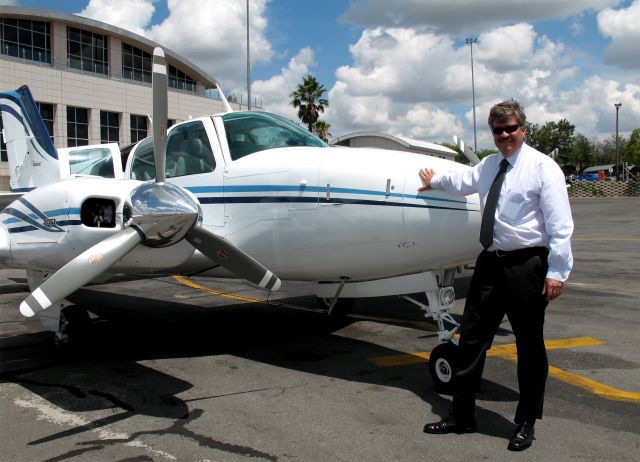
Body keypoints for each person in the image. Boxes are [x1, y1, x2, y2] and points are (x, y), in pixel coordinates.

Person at [418, 99, 573, 451]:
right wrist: (434, 180)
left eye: (511, 129)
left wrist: (557, 271)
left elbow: (561, 225)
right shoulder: (490, 165)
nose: (505, 135)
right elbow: (463, 181)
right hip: (490, 263)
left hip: (528, 265)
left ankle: (525, 422)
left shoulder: (542, 168)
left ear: (523, 129)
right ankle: (462, 415)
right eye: (498, 131)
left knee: (529, 345)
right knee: (471, 339)